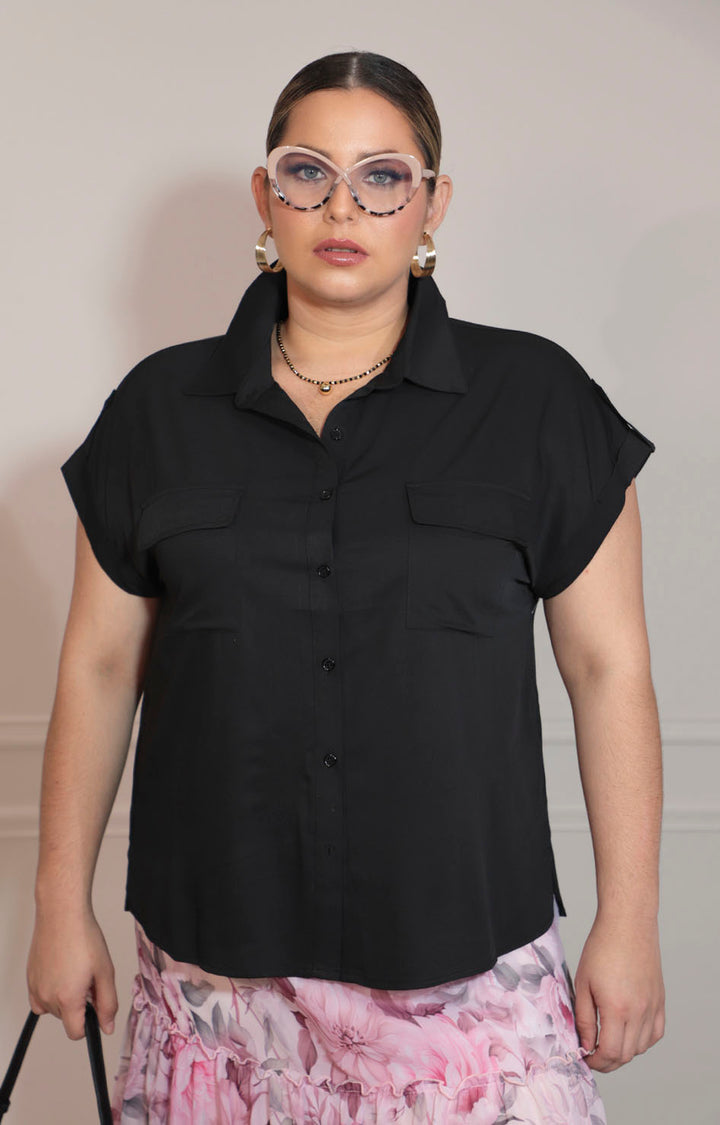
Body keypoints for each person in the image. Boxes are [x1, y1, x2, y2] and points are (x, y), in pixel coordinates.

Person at [26, 49, 665, 1124]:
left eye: (382, 176)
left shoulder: (538, 401)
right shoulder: (155, 412)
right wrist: (59, 905)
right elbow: (97, 666)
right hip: (217, 981)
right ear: (265, 196)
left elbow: (609, 670)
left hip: (468, 970)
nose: (342, 205)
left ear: (432, 204)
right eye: (307, 170)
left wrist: (630, 923)